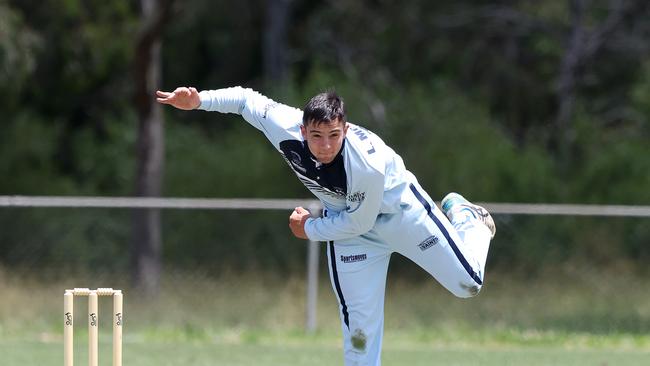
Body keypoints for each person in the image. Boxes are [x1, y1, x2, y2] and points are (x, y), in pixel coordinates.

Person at [156, 86, 496, 365]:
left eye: (334, 135)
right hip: (354, 235)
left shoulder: (367, 163)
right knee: (359, 340)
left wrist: (310, 229)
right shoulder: (286, 126)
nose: (326, 146)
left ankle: (466, 217)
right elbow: (247, 101)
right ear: (303, 131)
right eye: (317, 136)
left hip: (401, 216)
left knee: (468, 283)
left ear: (345, 130)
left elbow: (358, 221)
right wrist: (200, 101)